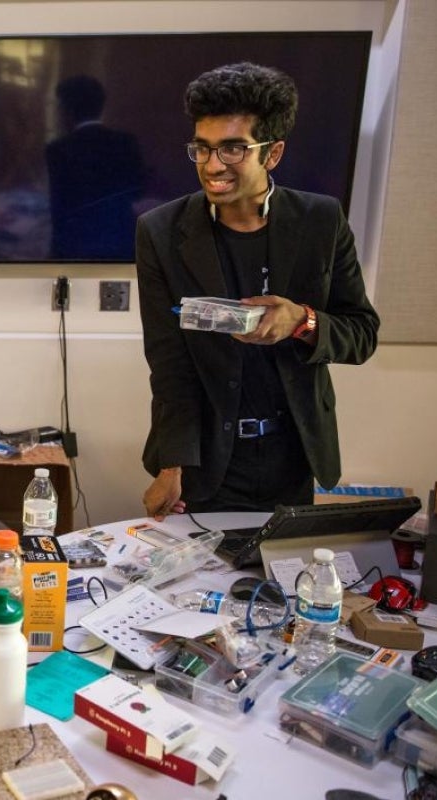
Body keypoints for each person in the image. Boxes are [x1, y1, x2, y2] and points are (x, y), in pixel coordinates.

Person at [135, 62, 379, 519]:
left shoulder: (321, 221)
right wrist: (172, 465)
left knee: (284, 585)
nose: (212, 167)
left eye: (232, 150)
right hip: (206, 462)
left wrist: (303, 322)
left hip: (293, 457)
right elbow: (168, 363)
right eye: (202, 150)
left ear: (273, 153)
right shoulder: (161, 232)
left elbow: (362, 333)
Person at [44, 75, 145, 260]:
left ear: (67, 110)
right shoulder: (127, 142)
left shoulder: (57, 150)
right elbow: (138, 193)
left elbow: (57, 208)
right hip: (122, 246)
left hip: (74, 250)